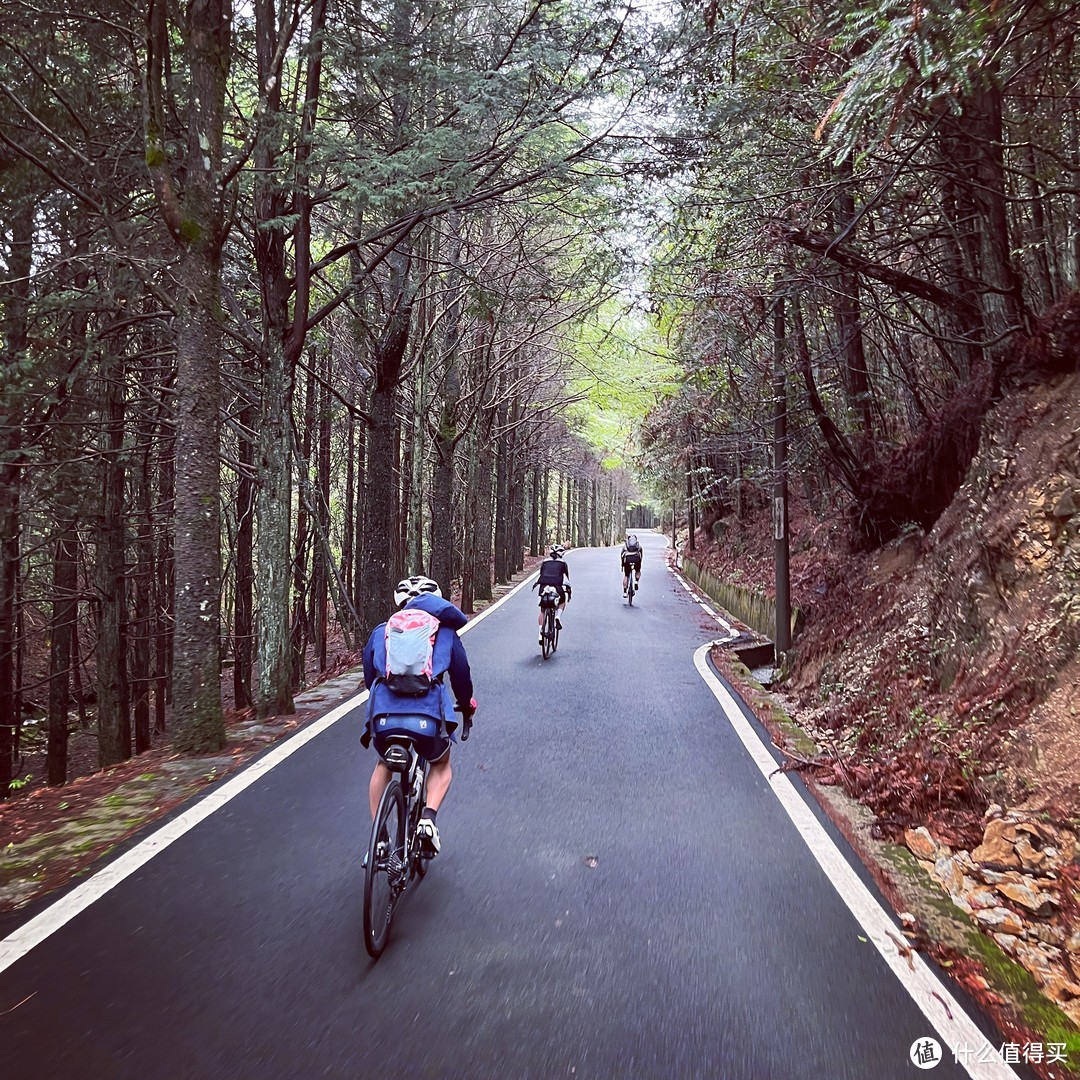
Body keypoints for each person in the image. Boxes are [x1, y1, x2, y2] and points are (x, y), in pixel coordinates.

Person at [361, 575, 476, 857]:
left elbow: (368, 676)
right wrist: (465, 704)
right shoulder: (446, 632)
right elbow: (461, 675)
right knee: (441, 763)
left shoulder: (382, 630)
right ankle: (428, 819)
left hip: (384, 717)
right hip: (427, 718)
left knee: (382, 766)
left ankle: (379, 838)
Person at [531, 544, 571, 645]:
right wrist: (569, 590)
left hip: (543, 587)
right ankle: (558, 616)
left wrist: (535, 585)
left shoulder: (544, 562)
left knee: (542, 610)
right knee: (562, 601)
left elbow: (541, 575)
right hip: (557, 587)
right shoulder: (563, 564)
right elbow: (566, 579)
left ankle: (540, 633)